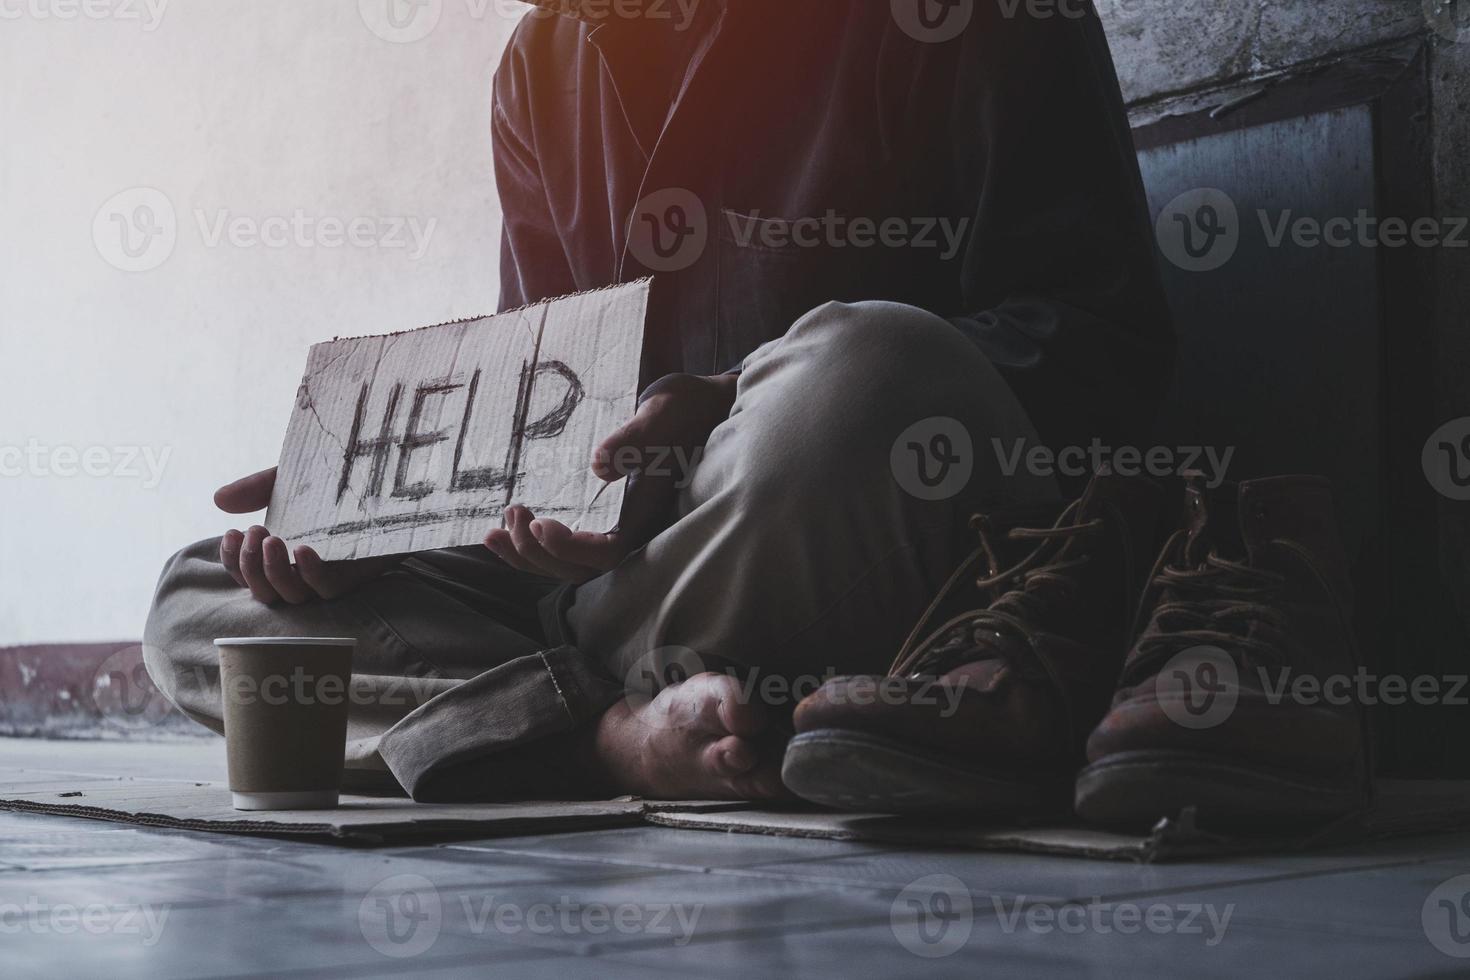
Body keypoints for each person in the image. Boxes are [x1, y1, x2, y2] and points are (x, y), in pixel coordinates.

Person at [143, 0, 1173, 803]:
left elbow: (1099, 355)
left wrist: (731, 401)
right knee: (196, 603)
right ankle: (621, 736)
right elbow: (546, 423)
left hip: (820, 517)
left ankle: (541, 714)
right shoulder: (541, 63)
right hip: (627, 580)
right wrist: (385, 510)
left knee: (872, 376)